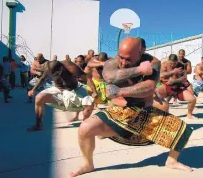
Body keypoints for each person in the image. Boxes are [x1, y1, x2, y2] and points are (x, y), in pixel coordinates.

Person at [69, 37, 193, 177]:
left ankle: (171, 161)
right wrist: (139, 70)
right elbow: (110, 76)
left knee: (184, 131)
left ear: (141, 53)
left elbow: (148, 87)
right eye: (121, 57)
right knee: (84, 128)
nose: (122, 62)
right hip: (118, 112)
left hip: (144, 113)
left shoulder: (154, 63)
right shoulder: (114, 62)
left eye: (128, 59)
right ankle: (87, 163)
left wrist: (120, 91)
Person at [27, 60, 97, 132]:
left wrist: (94, 91)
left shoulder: (72, 67)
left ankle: (84, 125)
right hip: (58, 89)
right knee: (39, 98)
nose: (56, 74)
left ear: (61, 67)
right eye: (54, 73)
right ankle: (38, 125)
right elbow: (42, 79)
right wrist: (33, 90)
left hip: (74, 89)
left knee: (90, 104)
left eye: (58, 72)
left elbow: (88, 79)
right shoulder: (48, 68)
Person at [156, 54, 197, 119]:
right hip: (165, 85)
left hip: (177, 85)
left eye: (174, 63)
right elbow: (160, 75)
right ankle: (160, 114)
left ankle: (189, 114)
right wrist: (173, 72)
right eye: (170, 63)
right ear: (168, 61)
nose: (172, 65)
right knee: (154, 95)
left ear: (177, 61)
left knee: (192, 99)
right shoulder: (164, 65)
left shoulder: (180, 65)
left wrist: (174, 81)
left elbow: (184, 78)